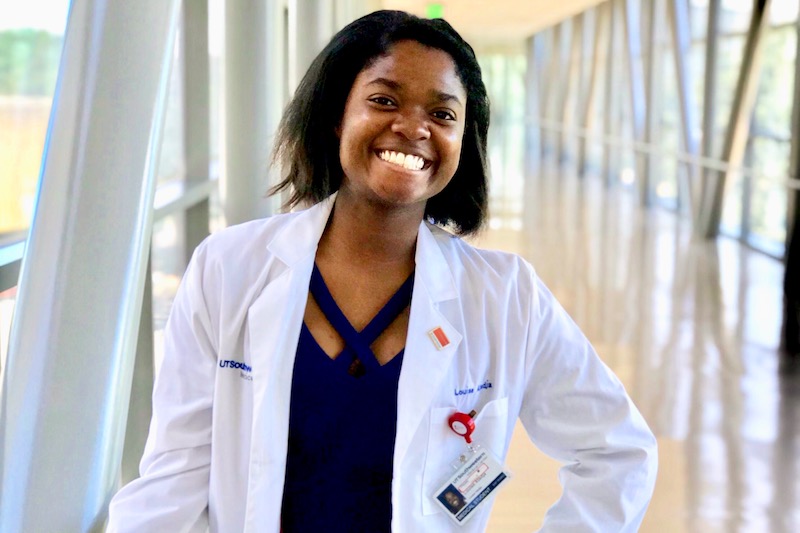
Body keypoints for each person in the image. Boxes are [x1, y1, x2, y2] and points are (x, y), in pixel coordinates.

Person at [107, 10, 657, 532]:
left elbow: (617, 452)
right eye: (384, 99)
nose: (412, 128)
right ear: (335, 115)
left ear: (464, 143)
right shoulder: (229, 269)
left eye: (442, 114)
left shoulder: (506, 296)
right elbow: (172, 478)